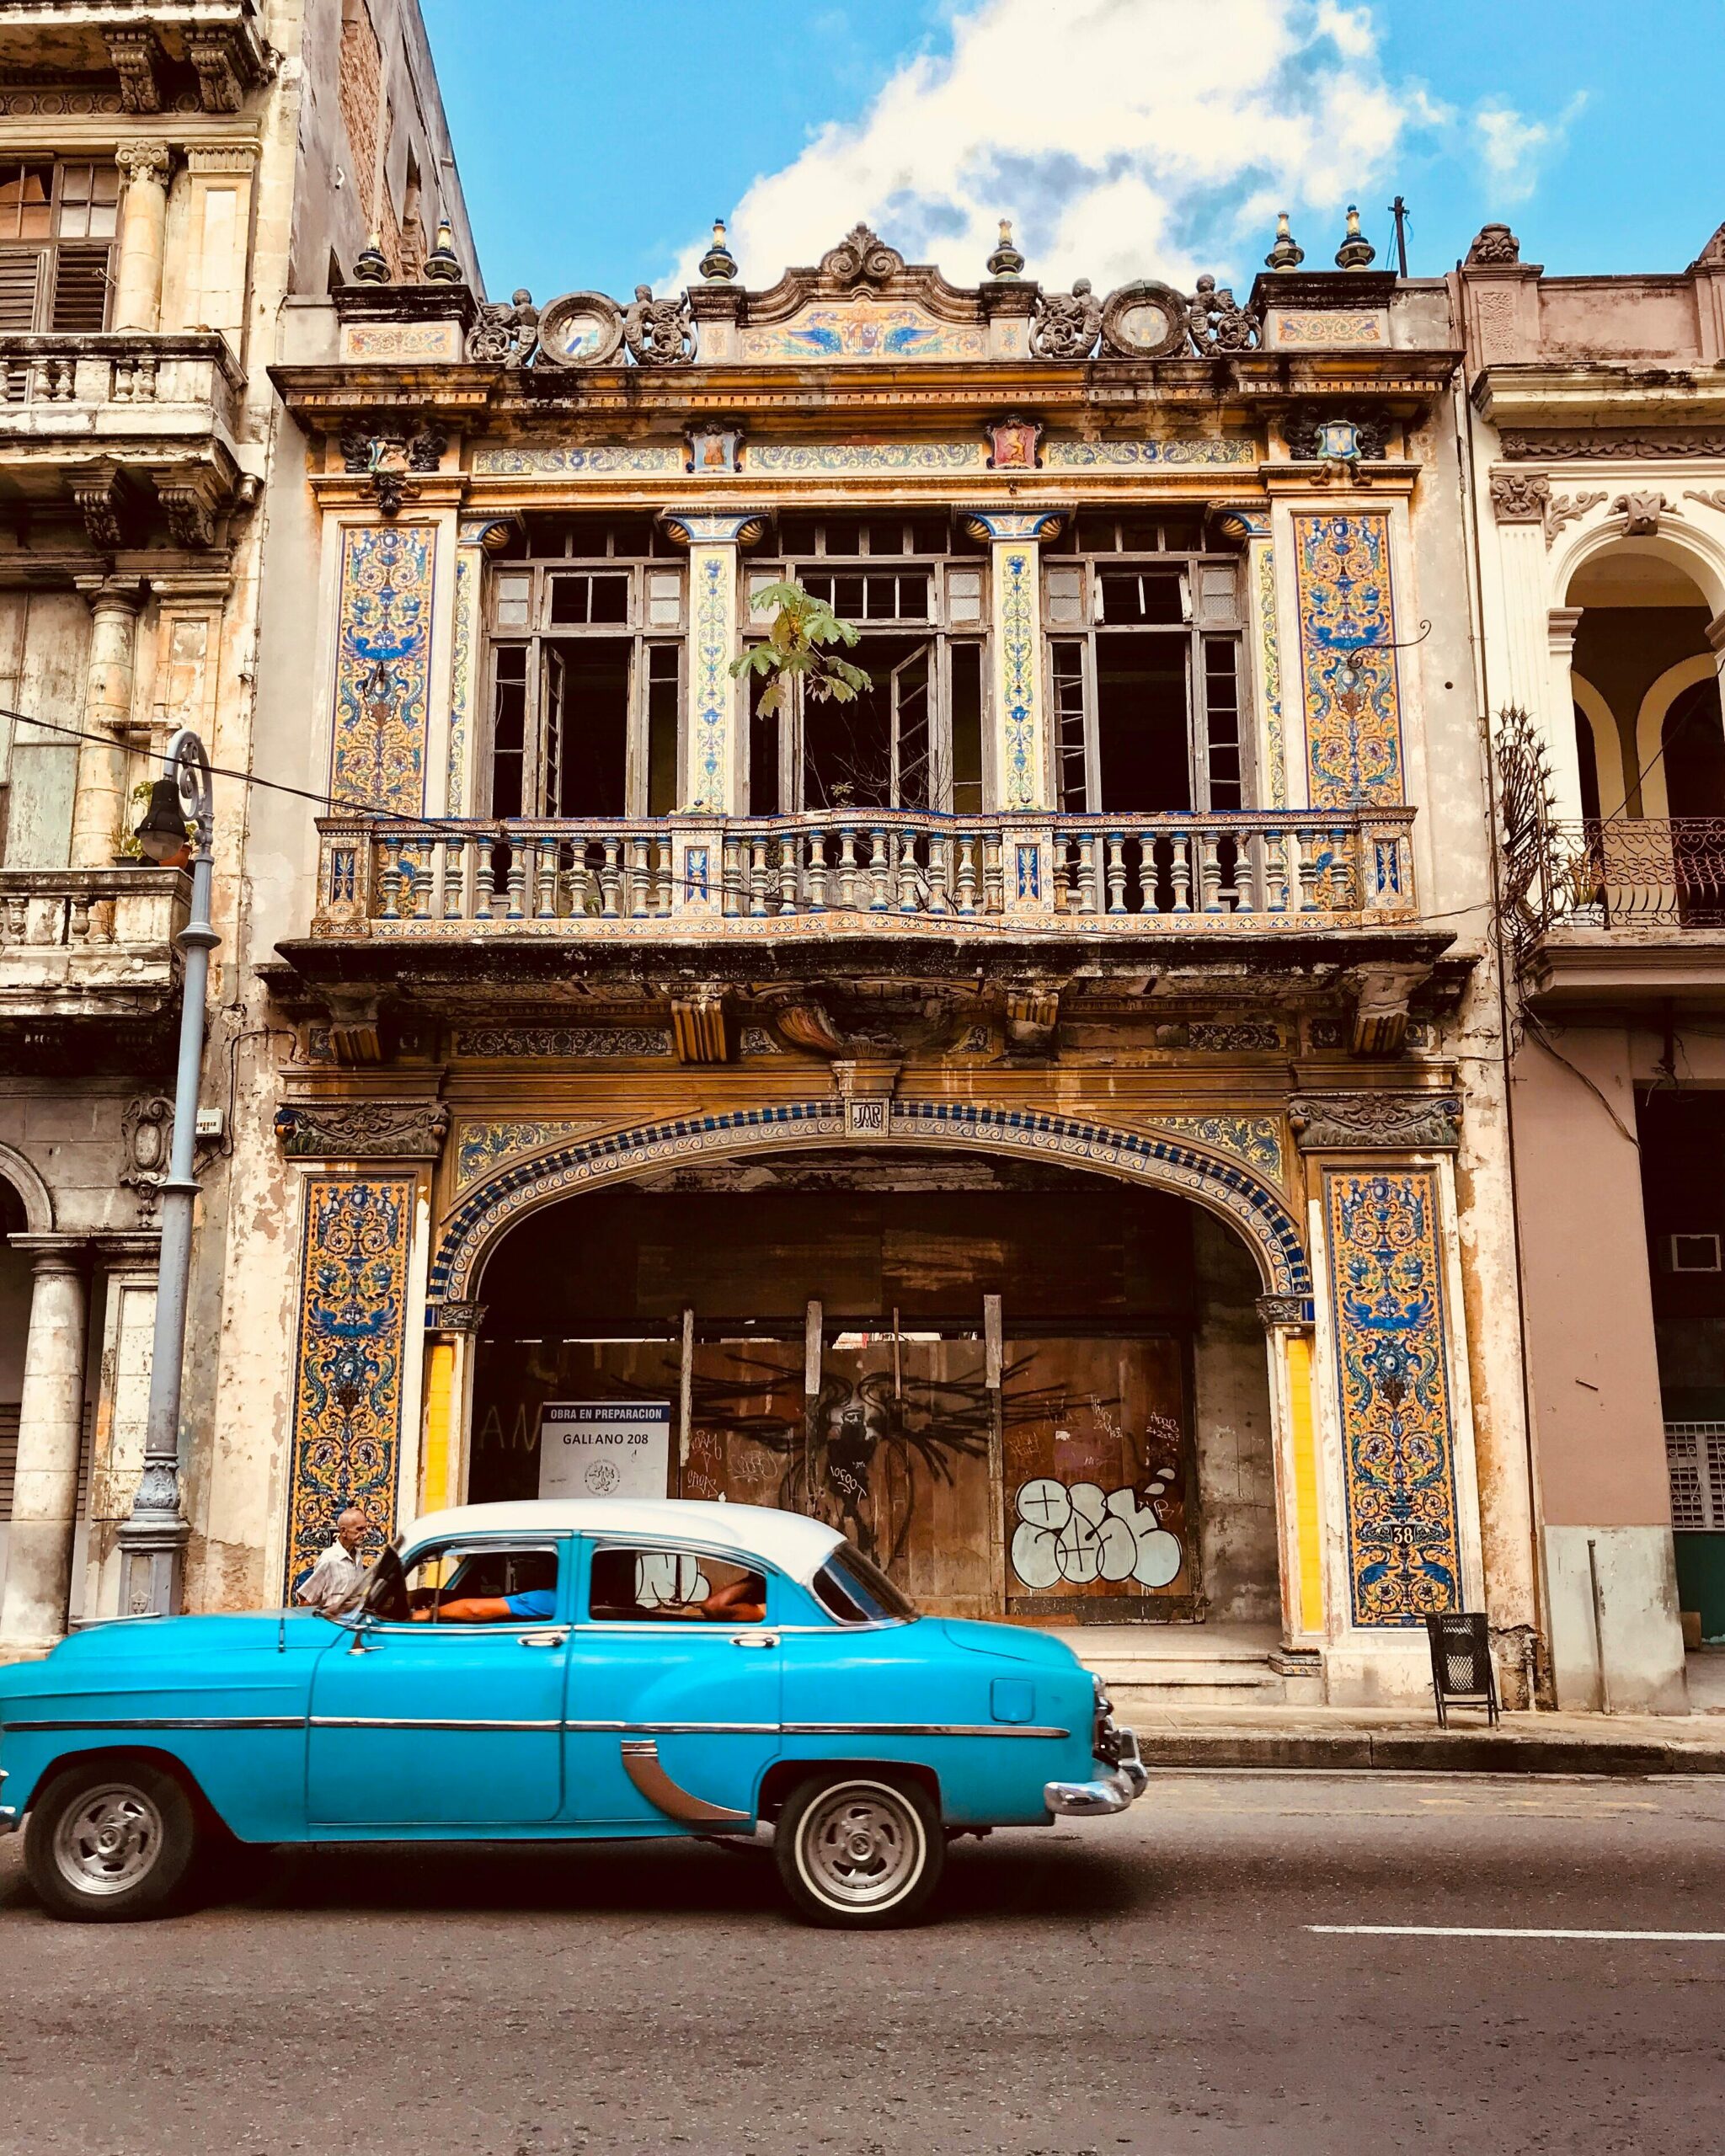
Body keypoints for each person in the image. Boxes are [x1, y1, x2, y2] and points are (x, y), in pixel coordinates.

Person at [414, 1553, 558, 1625]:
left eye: (518, 1563)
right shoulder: (551, 1595)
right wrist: (425, 1594)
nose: (515, 1569)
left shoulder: (546, 1598)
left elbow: (475, 1609)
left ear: (539, 1568)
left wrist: (432, 1613)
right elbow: (484, 1599)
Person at [296, 1509, 373, 1615]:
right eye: (359, 1529)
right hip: (333, 1623)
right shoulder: (330, 1559)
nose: (364, 1533)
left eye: (365, 1528)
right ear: (344, 1531)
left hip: (352, 1622)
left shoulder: (358, 1555)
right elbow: (306, 1598)